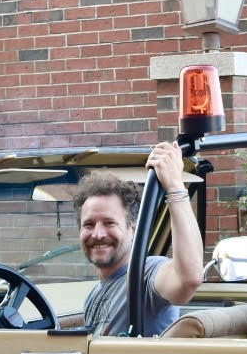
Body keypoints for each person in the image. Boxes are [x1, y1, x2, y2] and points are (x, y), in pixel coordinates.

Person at [74, 140, 203, 336]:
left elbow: (188, 279)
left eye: (109, 223)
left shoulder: (145, 274)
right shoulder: (93, 296)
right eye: (89, 224)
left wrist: (175, 186)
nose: (98, 234)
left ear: (132, 230)